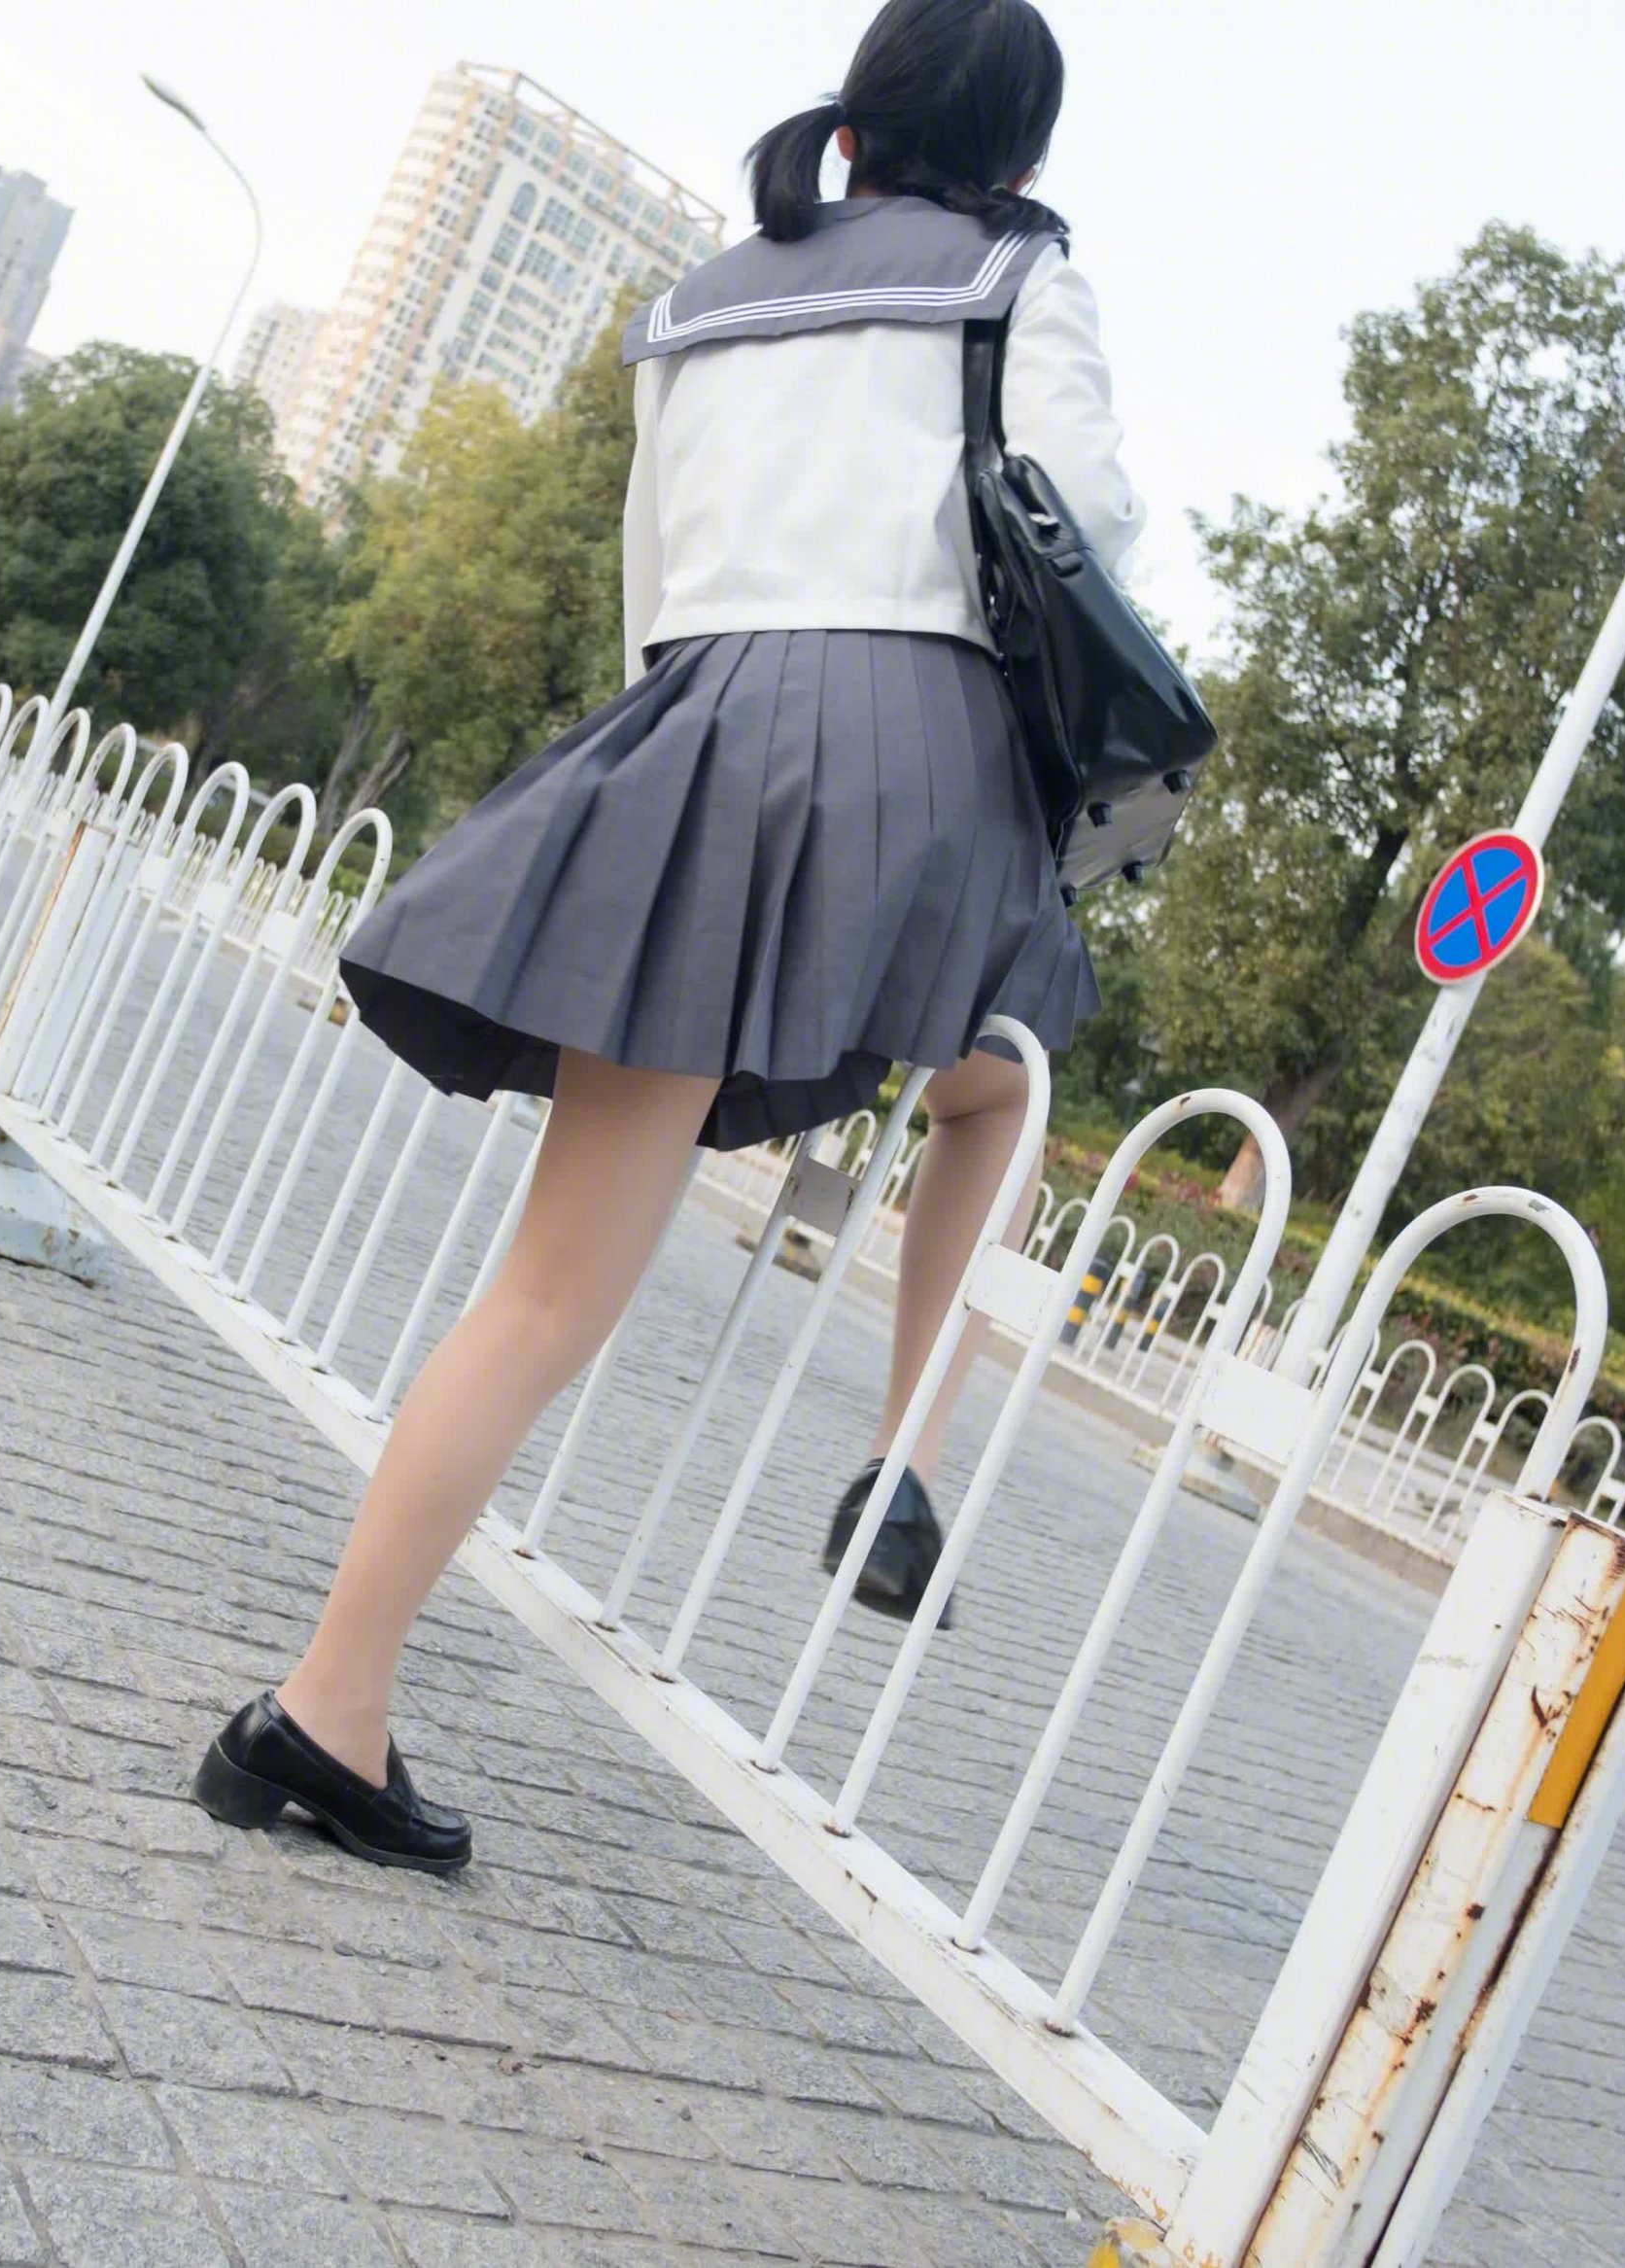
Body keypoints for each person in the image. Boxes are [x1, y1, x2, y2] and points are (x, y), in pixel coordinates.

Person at [192, 0, 1142, 1875]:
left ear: (855, 127)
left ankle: (326, 1701)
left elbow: (657, 572)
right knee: (1002, 1076)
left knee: (545, 1292)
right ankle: (906, 1458)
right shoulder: (1017, 278)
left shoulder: (701, 300)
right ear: (1023, 157)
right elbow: (1090, 520)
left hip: (706, 729)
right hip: (919, 749)